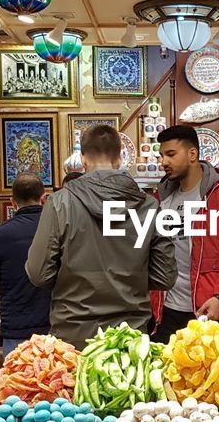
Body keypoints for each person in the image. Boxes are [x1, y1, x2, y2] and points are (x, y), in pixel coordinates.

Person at [27, 125, 176, 347]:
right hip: (130, 337)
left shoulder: (60, 202)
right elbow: (165, 277)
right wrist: (128, 279)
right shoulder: (151, 206)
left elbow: (39, 274)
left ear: (83, 158)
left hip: (73, 335)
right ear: (120, 158)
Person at [150, 125, 219, 343]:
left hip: (214, 312)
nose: (164, 162)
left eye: (170, 154)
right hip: (168, 311)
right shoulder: (161, 199)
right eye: (161, 156)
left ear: (192, 154)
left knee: (218, 375)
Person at [0, 173, 52, 357]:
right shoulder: (56, 229)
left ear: (13, 202)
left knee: (16, 380)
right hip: (52, 320)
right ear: (43, 198)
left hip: (17, 324)